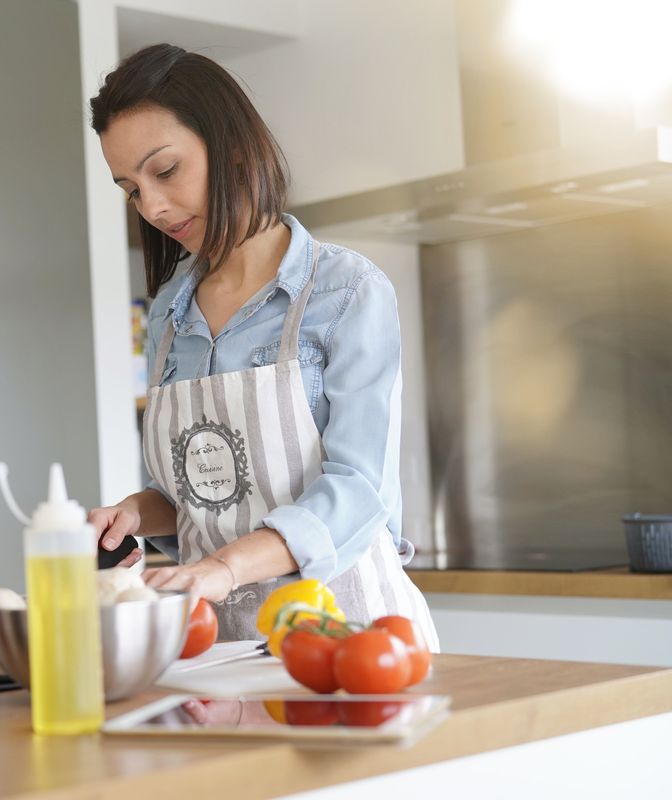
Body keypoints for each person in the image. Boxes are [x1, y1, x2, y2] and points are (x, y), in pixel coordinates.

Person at [87, 43, 439, 649]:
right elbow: (207, 494)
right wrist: (136, 513)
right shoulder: (169, 310)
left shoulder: (346, 291)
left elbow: (360, 491)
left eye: (165, 171)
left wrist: (226, 567)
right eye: (131, 190)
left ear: (232, 146)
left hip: (348, 639)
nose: (153, 206)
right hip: (216, 651)